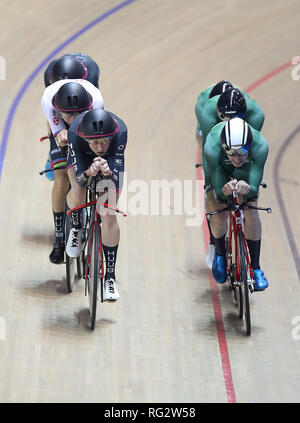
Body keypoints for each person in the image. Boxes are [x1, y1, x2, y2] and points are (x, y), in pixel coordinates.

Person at [195, 84, 265, 267]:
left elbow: (251, 149)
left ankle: (255, 267)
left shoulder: (255, 115)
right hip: (216, 147)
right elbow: (210, 151)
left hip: (240, 146)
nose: (229, 121)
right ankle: (216, 245)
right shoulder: (207, 112)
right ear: (218, 114)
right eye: (224, 119)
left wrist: (248, 186)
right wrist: (218, 188)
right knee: (217, 201)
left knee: (251, 205)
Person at [66, 108, 127, 301]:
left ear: (111, 138)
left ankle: (110, 277)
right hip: (82, 156)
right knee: (77, 189)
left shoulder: (120, 133)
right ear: (86, 140)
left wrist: (108, 172)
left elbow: (115, 174)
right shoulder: (75, 134)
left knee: (108, 211)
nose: (100, 148)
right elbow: (80, 180)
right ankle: (76, 227)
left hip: (111, 161)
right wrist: (88, 173)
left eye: (103, 142)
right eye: (95, 143)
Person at [41, 80, 104, 264]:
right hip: (60, 128)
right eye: (69, 115)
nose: (73, 118)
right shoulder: (48, 100)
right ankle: (60, 238)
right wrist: (62, 133)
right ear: (59, 111)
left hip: (89, 123)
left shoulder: (96, 101)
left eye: (77, 113)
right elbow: (59, 133)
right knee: (61, 178)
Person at [204, 117, 269, 291]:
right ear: (224, 147)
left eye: (242, 152)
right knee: (218, 209)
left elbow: (254, 185)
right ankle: (219, 253)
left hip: (247, 172)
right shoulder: (212, 148)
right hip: (219, 168)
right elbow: (218, 186)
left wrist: (250, 187)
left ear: (250, 145)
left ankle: (256, 269)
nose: (236, 158)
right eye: (231, 153)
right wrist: (222, 190)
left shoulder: (260, 146)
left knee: (251, 209)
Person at [43, 53, 100, 180]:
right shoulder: (49, 89)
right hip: (55, 83)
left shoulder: (92, 87)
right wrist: (57, 133)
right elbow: (51, 112)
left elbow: (95, 115)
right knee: (61, 111)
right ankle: (52, 150)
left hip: (86, 86)